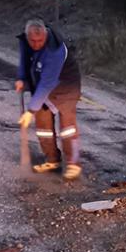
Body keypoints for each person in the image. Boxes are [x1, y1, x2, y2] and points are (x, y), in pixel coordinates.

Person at [16, 18, 83, 180]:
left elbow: (47, 83)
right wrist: (21, 78)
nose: (36, 44)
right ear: (28, 37)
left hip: (66, 85)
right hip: (43, 82)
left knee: (68, 127)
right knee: (43, 124)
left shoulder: (54, 51)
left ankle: (73, 164)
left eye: (40, 41)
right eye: (33, 41)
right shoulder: (25, 41)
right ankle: (52, 160)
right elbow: (24, 60)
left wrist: (30, 111)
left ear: (45, 35)